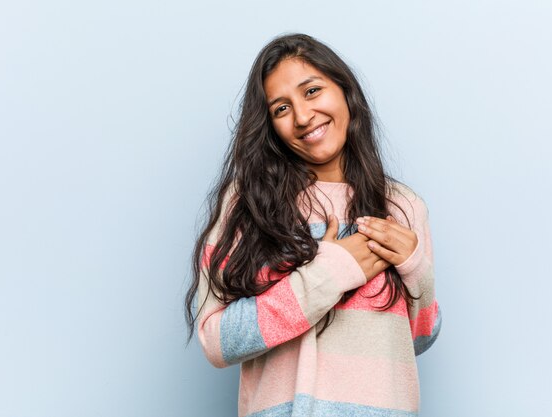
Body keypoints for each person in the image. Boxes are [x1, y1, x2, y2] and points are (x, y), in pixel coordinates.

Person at [185, 33, 441, 417]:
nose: (303, 117)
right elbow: (215, 341)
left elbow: (418, 339)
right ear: (270, 126)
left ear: (344, 91)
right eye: (281, 108)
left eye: (312, 91)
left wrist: (416, 268)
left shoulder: (402, 207)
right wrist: (330, 274)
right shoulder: (247, 204)